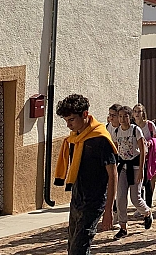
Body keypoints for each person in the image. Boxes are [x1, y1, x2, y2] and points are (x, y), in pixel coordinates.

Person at [54, 94, 117, 255]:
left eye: (71, 120)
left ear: (84, 115)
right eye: (66, 120)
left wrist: (109, 210)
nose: (68, 125)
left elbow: (113, 175)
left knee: (79, 249)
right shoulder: (75, 138)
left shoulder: (100, 139)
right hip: (77, 198)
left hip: (93, 202)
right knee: (72, 247)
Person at [110, 105, 153, 239]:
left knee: (135, 198)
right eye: (120, 116)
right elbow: (116, 150)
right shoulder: (117, 132)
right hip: (123, 167)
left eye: (125, 116)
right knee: (121, 197)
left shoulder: (136, 130)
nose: (122, 119)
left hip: (135, 167)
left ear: (130, 117)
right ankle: (123, 227)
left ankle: (147, 213)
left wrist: (141, 170)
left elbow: (143, 150)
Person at [133, 103, 156, 208]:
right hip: (137, 156)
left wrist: (150, 142)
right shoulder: (132, 125)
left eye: (139, 111)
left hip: (149, 156)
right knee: (139, 182)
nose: (137, 113)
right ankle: (141, 204)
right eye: (135, 111)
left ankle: (148, 202)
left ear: (143, 113)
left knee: (148, 180)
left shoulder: (149, 125)